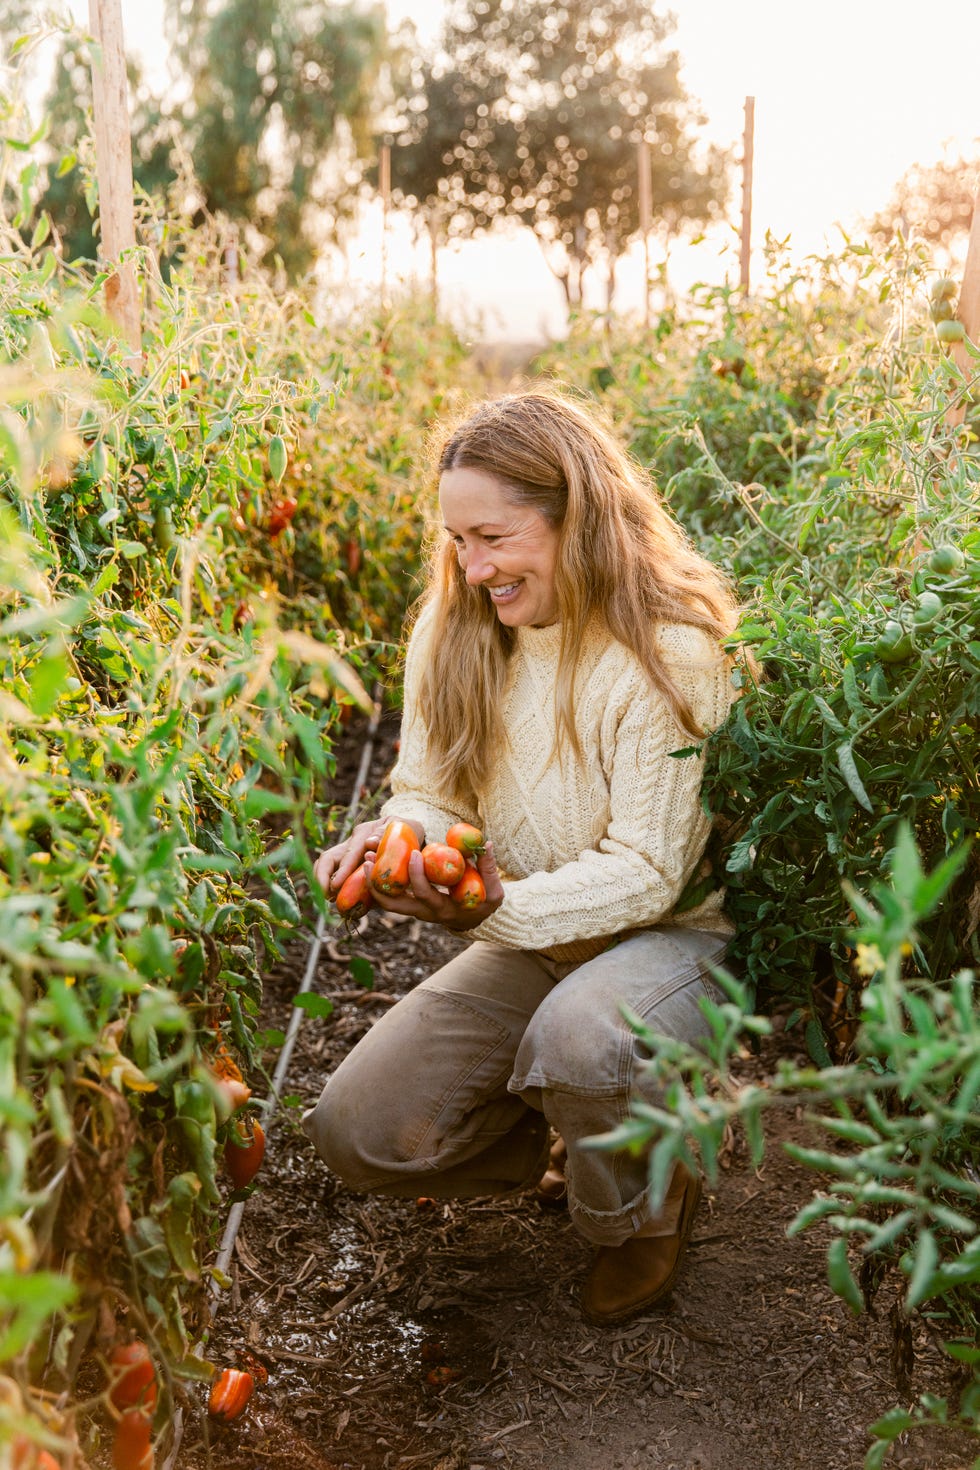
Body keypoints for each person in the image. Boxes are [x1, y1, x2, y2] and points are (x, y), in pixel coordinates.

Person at [304, 388, 740, 1325]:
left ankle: (645, 1208)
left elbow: (649, 872)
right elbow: (426, 790)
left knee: (582, 1039)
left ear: (573, 515)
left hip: (673, 941)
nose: (471, 569)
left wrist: (487, 912)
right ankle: (599, 1137)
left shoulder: (672, 651)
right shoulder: (456, 629)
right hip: (534, 929)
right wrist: (393, 842)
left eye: (493, 538)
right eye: (458, 542)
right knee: (358, 1131)